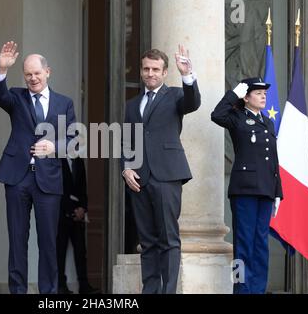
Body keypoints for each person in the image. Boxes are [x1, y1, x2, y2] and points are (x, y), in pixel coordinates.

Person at [0, 41, 76, 294]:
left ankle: (48, 294)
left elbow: (74, 140)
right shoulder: (16, 97)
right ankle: (17, 291)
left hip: (48, 179)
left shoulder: (64, 103)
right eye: (28, 74)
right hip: (17, 178)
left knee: (49, 242)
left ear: (47, 72)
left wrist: (55, 147)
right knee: (17, 240)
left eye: (37, 73)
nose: (32, 78)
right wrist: (2, 70)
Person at [121, 46, 201, 294]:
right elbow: (126, 140)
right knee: (147, 241)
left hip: (168, 175)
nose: (150, 73)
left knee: (168, 238)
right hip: (139, 178)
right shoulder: (132, 104)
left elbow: (193, 102)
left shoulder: (176, 95)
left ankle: (168, 291)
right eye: (146, 69)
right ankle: (150, 290)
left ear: (165, 72)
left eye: (156, 69)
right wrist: (125, 167)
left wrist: (188, 75)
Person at [211, 78, 283, 294]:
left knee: (261, 245)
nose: (263, 96)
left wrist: (278, 191)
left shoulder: (267, 122)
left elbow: (273, 160)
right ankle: (241, 290)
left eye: (264, 93)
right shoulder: (236, 117)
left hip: (265, 190)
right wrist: (233, 94)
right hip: (244, 190)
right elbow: (216, 115)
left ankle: (258, 289)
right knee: (243, 246)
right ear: (246, 96)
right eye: (258, 92)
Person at [57, 157, 101, 294]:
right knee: (60, 252)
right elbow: (58, 188)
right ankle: (61, 286)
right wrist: (71, 210)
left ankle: (84, 285)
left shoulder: (78, 161)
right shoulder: (57, 160)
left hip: (79, 216)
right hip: (62, 215)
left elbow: (83, 186)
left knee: (81, 252)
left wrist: (83, 208)